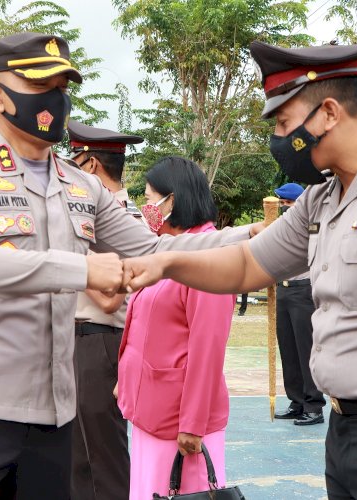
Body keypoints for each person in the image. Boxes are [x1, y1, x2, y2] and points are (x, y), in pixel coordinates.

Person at [122, 39, 357, 499]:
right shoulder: (324, 198)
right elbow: (245, 264)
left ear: (330, 113)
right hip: (347, 433)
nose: (279, 140)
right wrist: (167, 262)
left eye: (283, 123)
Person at [0, 32, 256, 500]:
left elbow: (154, 251)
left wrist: (248, 236)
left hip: (52, 418)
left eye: (62, 86)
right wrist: (80, 271)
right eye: (40, 86)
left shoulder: (81, 186)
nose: (55, 99)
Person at [117, 156, 234, 498]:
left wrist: (193, 423)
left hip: (180, 422)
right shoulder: (166, 250)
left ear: (174, 199)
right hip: (151, 411)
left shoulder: (208, 256)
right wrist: (127, 382)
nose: (147, 207)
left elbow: (207, 347)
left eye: (152, 198)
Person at [67, 120, 143, 500]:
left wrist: (66, 264)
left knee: (99, 456)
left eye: (76, 163)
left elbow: (111, 296)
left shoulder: (106, 219)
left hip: (98, 339)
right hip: (92, 340)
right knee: (83, 452)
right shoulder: (126, 214)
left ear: (92, 166)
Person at [272, 182, 326, 426]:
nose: (285, 208)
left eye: (289, 203)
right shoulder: (279, 226)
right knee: (288, 349)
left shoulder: (312, 225)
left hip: (303, 289)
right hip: (283, 289)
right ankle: (296, 400)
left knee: (306, 349)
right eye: (282, 204)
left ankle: (313, 404)